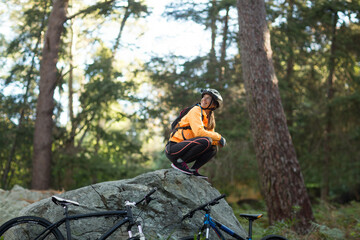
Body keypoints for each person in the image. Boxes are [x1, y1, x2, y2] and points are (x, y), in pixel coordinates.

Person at [165, 88, 226, 178]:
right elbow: (199, 133)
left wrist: (219, 141)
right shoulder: (196, 110)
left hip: (186, 150)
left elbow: (212, 138)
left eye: (208, 98)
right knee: (206, 140)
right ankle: (178, 163)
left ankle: (194, 170)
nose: (203, 99)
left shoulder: (210, 118)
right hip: (173, 149)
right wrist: (219, 137)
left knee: (213, 147)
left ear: (214, 104)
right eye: (203, 97)